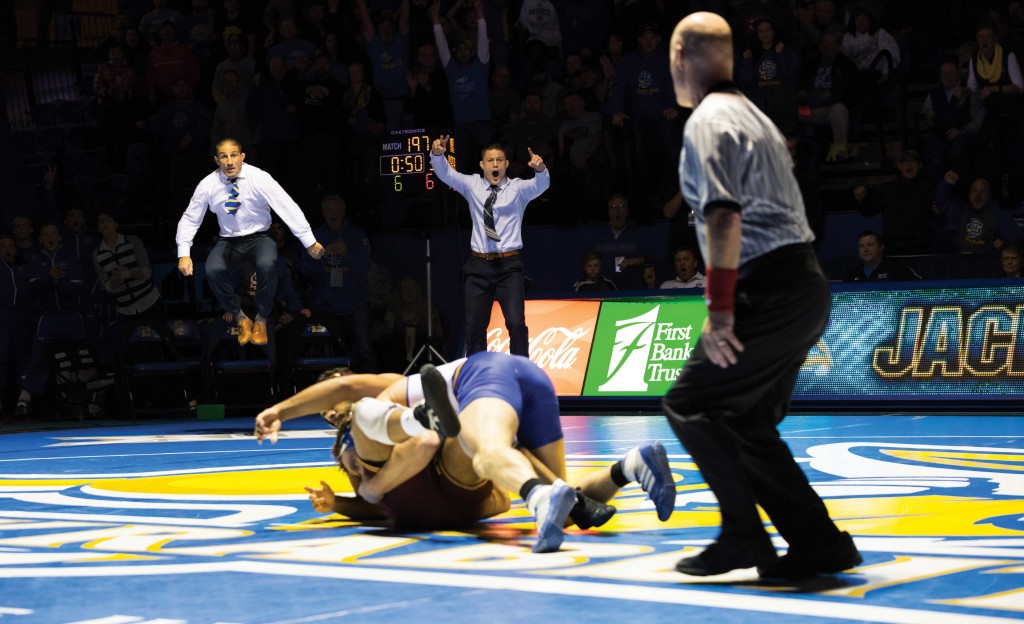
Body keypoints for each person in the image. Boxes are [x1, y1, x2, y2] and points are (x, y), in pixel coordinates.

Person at [663, 12, 861, 582]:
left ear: (682, 58)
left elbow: (724, 215)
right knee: (744, 418)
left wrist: (720, 310)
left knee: (690, 403)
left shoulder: (707, 120)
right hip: (805, 284)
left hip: (767, 285)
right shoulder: (758, 117)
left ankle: (742, 535)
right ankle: (818, 543)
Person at [254, 364, 669, 534]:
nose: (330, 410)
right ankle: (627, 467)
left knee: (459, 444)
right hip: (522, 389)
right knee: (560, 494)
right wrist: (344, 503)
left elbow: (346, 390)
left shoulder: (382, 398)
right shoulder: (372, 419)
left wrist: (280, 410)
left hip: (467, 411)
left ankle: (540, 494)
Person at [175, 137, 324, 348]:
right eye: (224, 156)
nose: (229, 161)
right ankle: (241, 317)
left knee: (267, 264)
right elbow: (191, 218)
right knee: (212, 269)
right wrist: (184, 252)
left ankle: (262, 320)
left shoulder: (259, 178)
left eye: (233, 155)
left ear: (242, 157)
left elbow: (286, 206)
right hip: (229, 240)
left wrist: (309, 241)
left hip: (259, 237)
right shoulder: (207, 184)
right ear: (216, 159)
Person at [430, 135, 548, 357]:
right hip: (478, 266)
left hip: (509, 266)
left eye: (500, 160)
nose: (495, 164)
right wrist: (437, 155)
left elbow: (542, 185)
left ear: (505, 164)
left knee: (515, 323)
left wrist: (540, 169)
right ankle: (477, 376)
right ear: (482, 165)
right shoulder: (472, 184)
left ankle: (520, 372)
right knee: (474, 327)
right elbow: (446, 174)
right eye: (491, 161)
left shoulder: (518, 189)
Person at [851, 149, 938, 255]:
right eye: (905, 161)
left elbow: (938, 217)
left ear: (920, 165)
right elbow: (868, 212)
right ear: (899, 166)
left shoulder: (929, 189)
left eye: (913, 161)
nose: (909, 164)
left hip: (922, 249)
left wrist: (938, 211)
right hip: (894, 250)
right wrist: (861, 200)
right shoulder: (886, 189)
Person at [934, 170, 1024, 254]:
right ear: (969, 195)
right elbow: (942, 203)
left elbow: (1018, 240)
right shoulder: (962, 212)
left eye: (982, 191)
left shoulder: (1000, 215)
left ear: (989, 196)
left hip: (989, 265)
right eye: (974, 191)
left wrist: (1005, 244)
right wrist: (945, 184)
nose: (977, 195)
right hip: (963, 264)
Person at [843, 230, 921, 282]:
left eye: (870, 245)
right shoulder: (852, 274)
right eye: (861, 246)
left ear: (881, 247)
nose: (865, 249)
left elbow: (921, 288)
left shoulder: (898, 269)